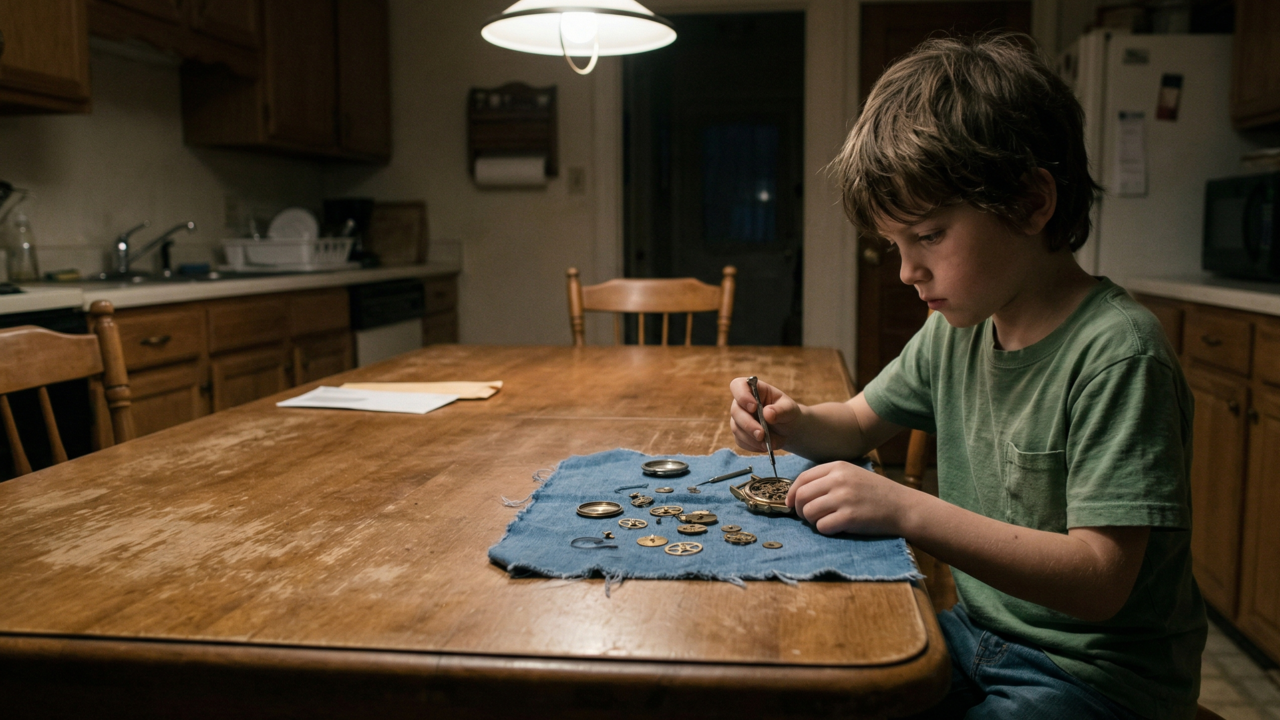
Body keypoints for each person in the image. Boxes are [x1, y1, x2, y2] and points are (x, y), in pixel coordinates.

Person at [729, 34, 1204, 720]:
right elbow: (861, 421)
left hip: (1097, 677)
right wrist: (791, 419)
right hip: (980, 635)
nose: (906, 272)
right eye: (894, 246)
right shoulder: (961, 327)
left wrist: (905, 509)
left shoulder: (1119, 354)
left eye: (928, 236)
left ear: (1032, 203)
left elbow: (1101, 581)